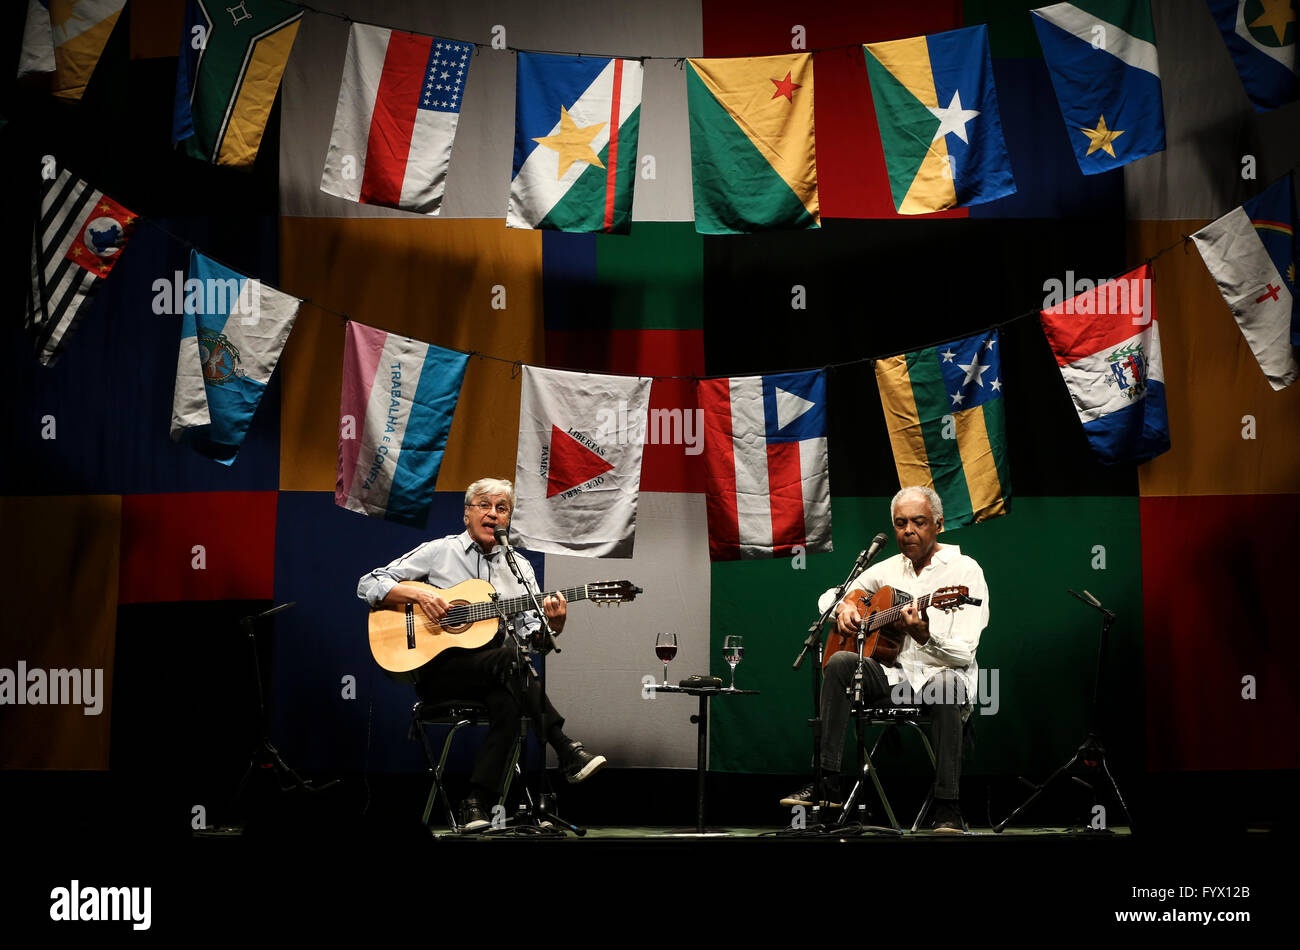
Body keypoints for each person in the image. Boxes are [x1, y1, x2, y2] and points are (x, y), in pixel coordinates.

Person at [357, 477, 605, 832]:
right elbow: (367, 583)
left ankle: (475, 802)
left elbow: (532, 642)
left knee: (510, 693)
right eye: (484, 506)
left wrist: (554, 626)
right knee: (510, 663)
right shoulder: (440, 551)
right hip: (439, 672)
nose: (493, 514)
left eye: (501, 508)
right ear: (467, 514)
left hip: (496, 673)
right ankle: (565, 748)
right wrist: (418, 595)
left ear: (509, 518)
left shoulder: (519, 568)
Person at [781, 486, 990, 833]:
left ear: (938, 524)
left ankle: (948, 807)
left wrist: (925, 636)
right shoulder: (889, 568)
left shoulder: (964, 572)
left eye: (918, 522)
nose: (908, 530)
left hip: (939, 684)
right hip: (892, 681)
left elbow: (964, 652)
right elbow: (829, 598)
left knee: (948, 682)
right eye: (900, 523)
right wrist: (846, 607)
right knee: (840, 662)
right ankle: (827, 782)